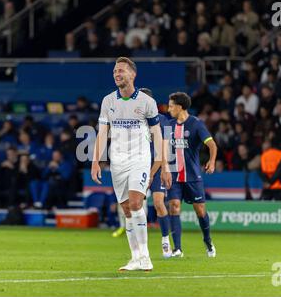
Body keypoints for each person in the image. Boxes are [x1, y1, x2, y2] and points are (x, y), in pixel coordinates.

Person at [91, 57, 163, 271]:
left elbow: (157, 133)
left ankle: (146, 257)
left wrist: (159, 162)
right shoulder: (108, 101)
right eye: (114, 71)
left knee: (135, 203)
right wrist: (96, 160)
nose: (117, 74)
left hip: (139, 159)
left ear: (133, 74)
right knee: (126, 209)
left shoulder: (146, 102)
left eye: (121, 70)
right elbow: (102, 133)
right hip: (117, 162)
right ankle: (135, 258)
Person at [163, 92, 217, 258]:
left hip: (192, 176)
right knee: (174, 206)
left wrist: (212, 161)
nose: (169, 109)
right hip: (174, 176)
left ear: (180, 107)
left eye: (171, 106)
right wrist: (165, 168)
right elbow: (163, 150)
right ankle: (177, 248)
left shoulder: (196, 124)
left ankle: (208, 241)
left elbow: (212, 145)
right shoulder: (168, 126)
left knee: (200, 211)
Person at [139, 87, 172, 258]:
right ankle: (139, 247)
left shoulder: (163, 120)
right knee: (135, 205)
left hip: (157, 166)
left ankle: (165, 240)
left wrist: (152, 173)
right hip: (138, 166)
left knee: (159, 203)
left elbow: (162, 152)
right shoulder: (135, 121)